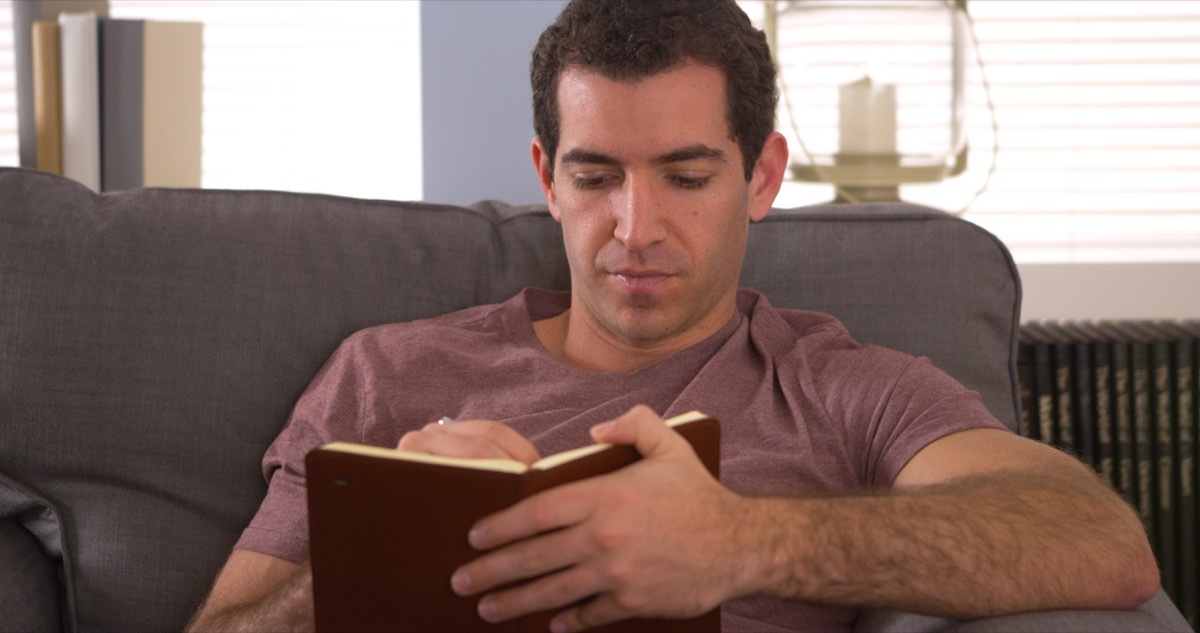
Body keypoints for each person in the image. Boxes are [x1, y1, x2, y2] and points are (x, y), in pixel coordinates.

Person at [185, 1, 1158, 631]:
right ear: (546, 180)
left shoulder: (843, 389)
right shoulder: (385, 373)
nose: (635, 227)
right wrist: (387, 559)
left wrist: (742, 542)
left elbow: (1101, 545)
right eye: (595, 176)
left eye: (686, 177)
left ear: (761, 177)